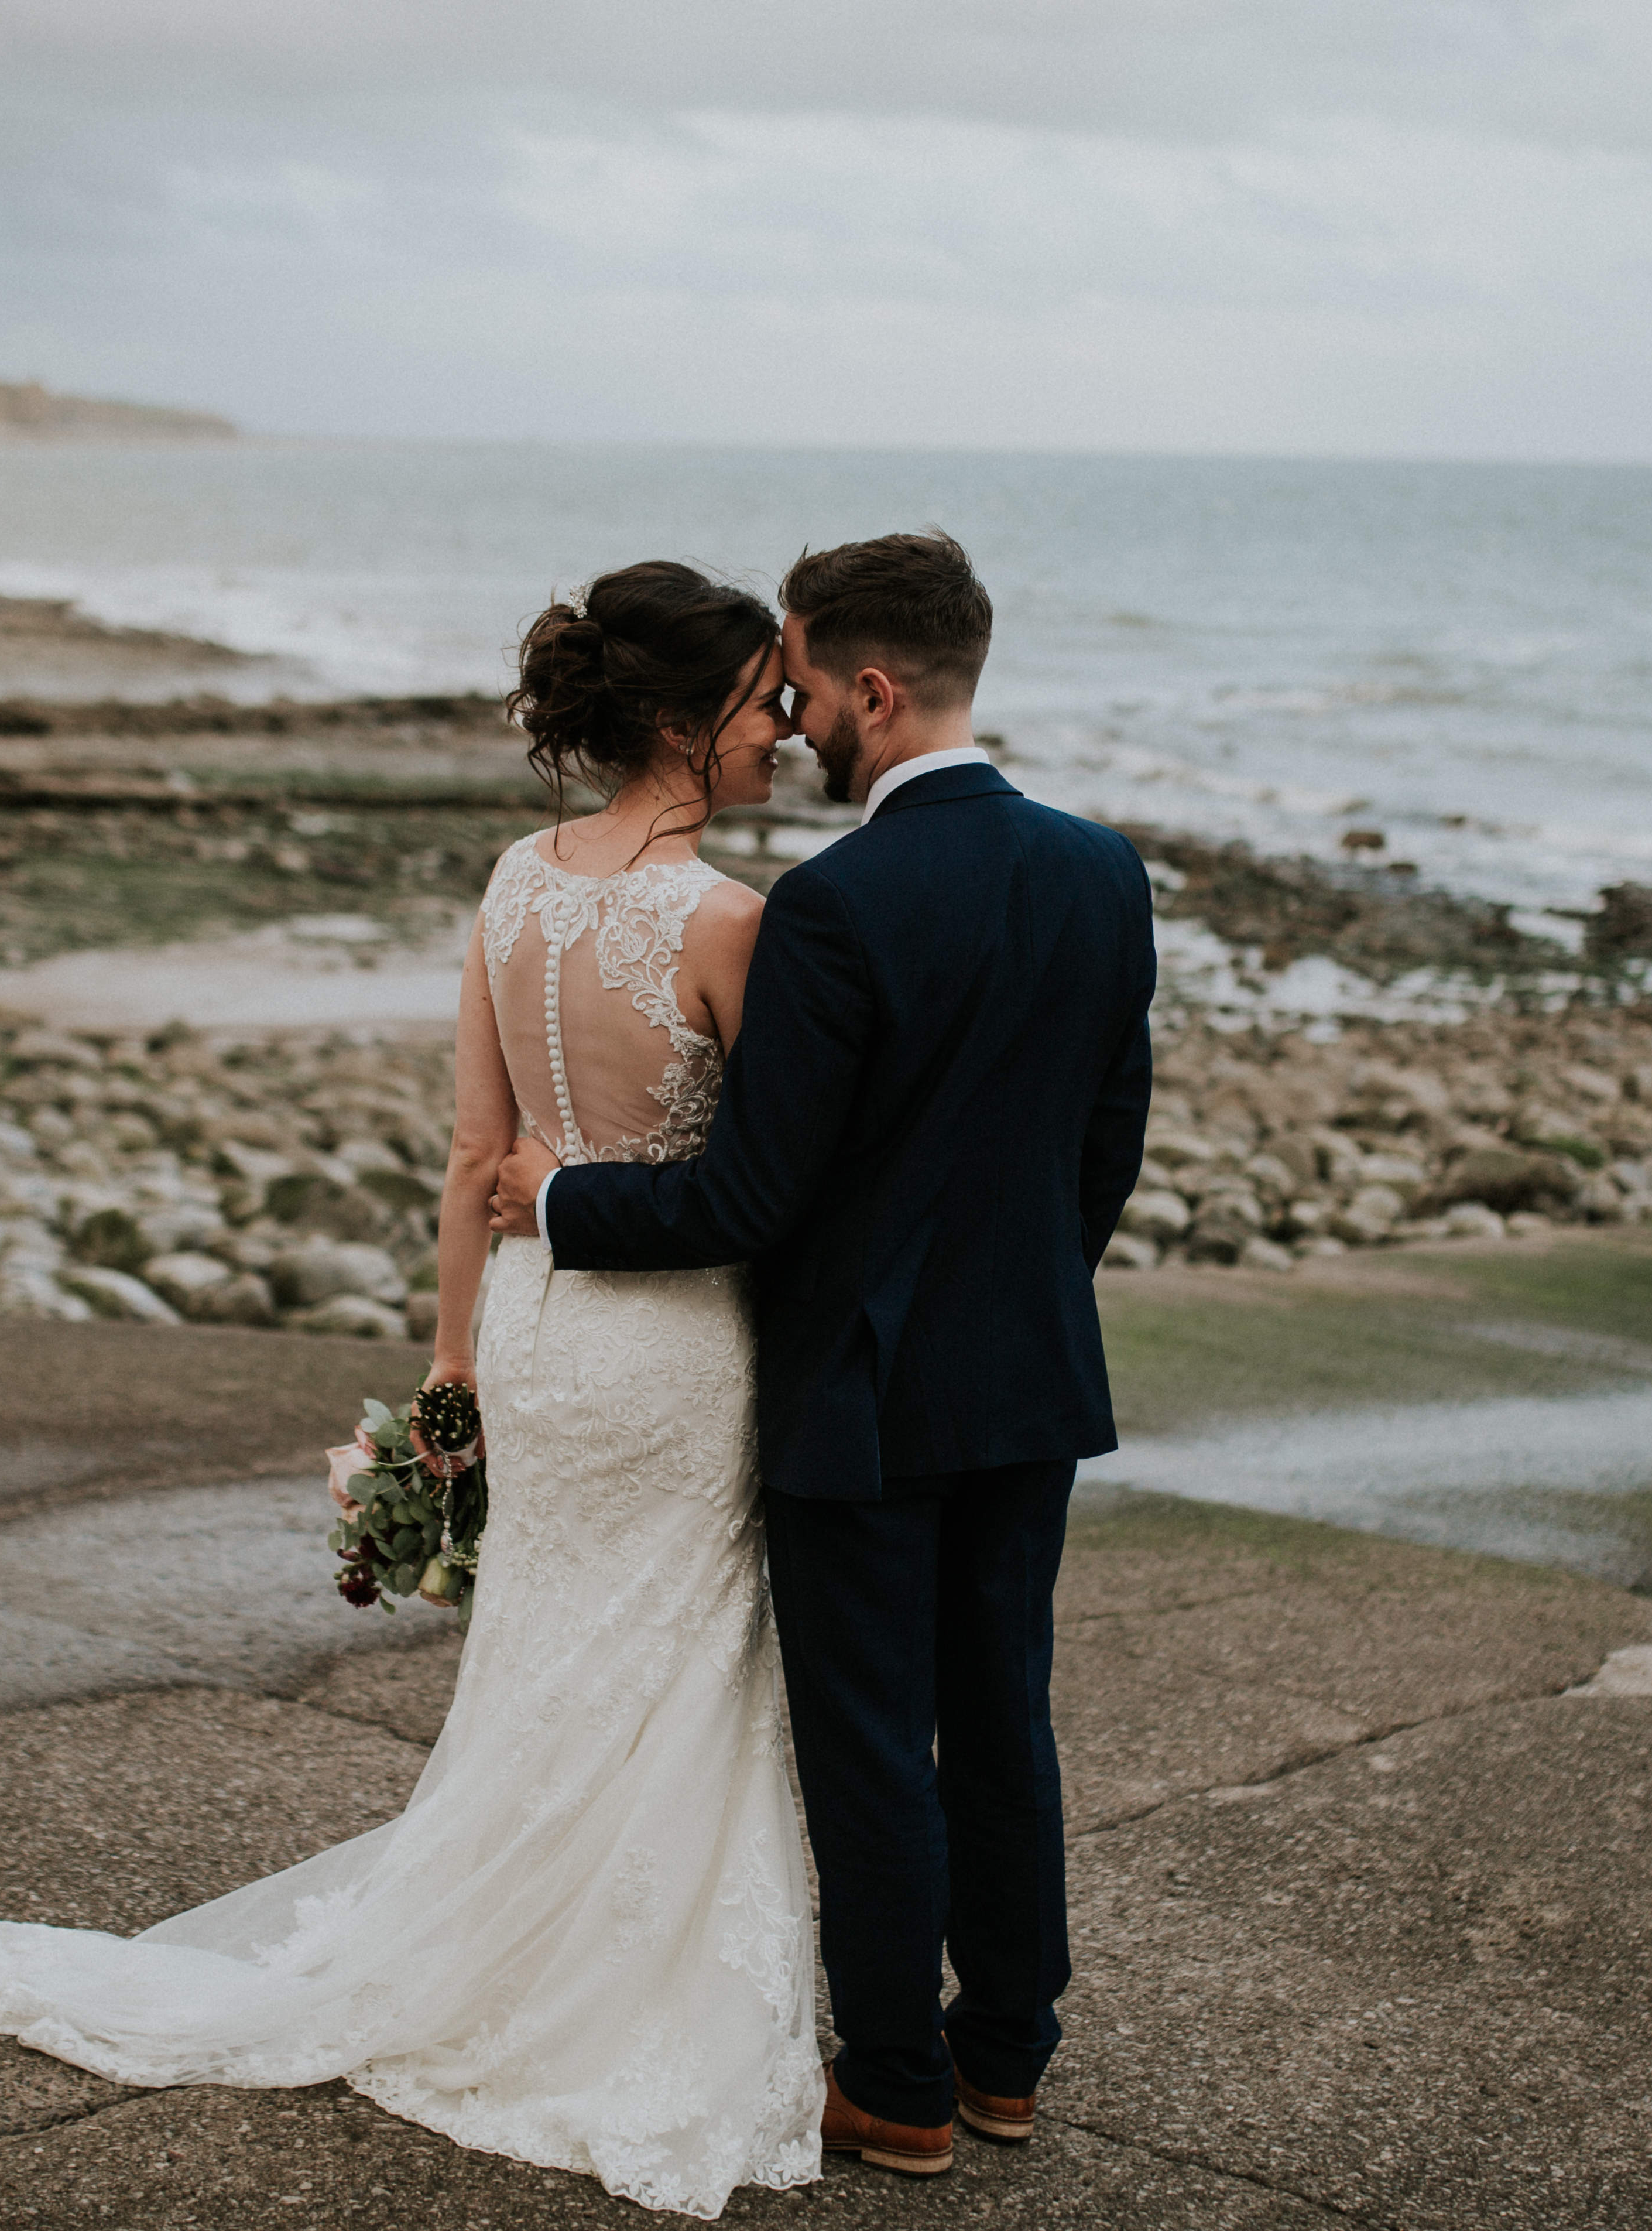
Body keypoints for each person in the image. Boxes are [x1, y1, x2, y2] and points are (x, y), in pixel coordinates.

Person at [0, 559, 827, 2221]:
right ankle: (604, 1991)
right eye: (755, 704)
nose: (779, 731)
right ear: (675, 720)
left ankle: (509, 1944)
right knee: (677, 1653)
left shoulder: (511, 885)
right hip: (668, 1340)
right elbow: (772, 1187)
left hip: (535, 1328)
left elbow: (471, 1154)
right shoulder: (730, 924)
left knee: (558, 1649)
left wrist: (451, 1364)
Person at [494, 529, 1159, 2178]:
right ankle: (1005, 2058)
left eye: (796, 684)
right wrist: (1017, 1303)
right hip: (1024, 1383)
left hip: (854, 1403)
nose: (784, 718)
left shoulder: (834, 905)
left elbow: (752, 1193)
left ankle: (898, 2084)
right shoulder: (1102, 872)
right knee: (1003, 1715)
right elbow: (1103, 1145)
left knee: (871, 1737)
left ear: (875, 685)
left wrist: (557, 1200)